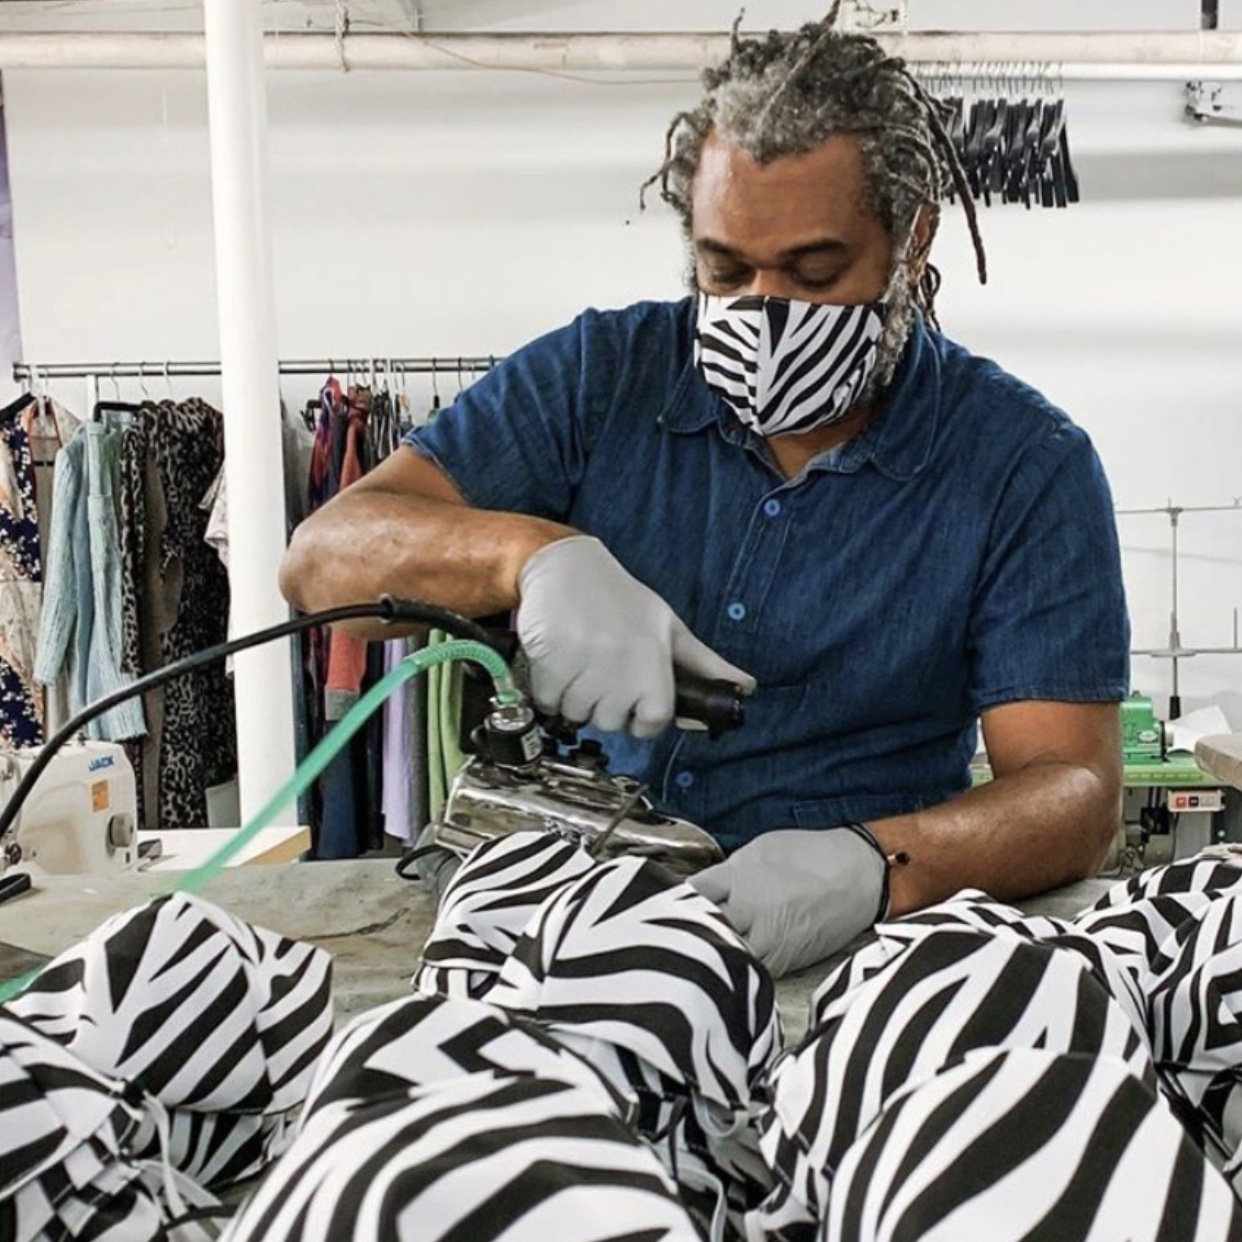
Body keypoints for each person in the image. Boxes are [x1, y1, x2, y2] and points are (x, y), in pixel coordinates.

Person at [280, 15, 1129, 979]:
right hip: (563, 931)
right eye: (726, 270)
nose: (765, 312)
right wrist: (531, 559)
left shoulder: (1024, 465)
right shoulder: (601, 376)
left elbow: (1076, 790)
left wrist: (879, 863)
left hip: (850, 960)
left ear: (911, 235)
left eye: (815, 274)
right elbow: (321, 560)